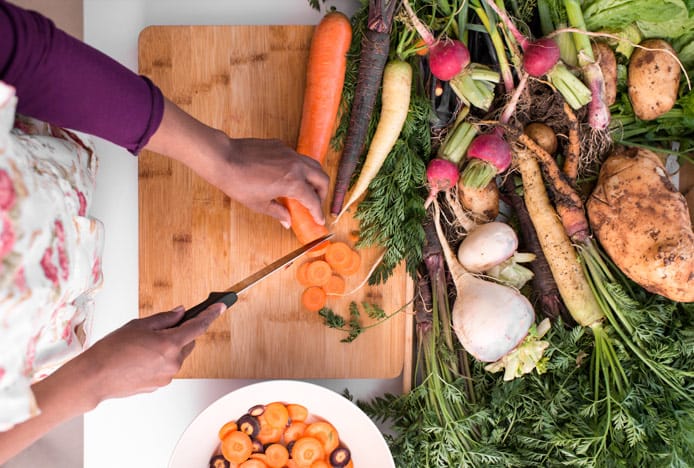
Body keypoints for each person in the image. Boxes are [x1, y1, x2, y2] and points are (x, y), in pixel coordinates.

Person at [0, 0, 329, 462]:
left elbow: (19, 53)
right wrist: (87, 381)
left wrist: (221, 155)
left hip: (52, 186)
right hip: (37, 367)